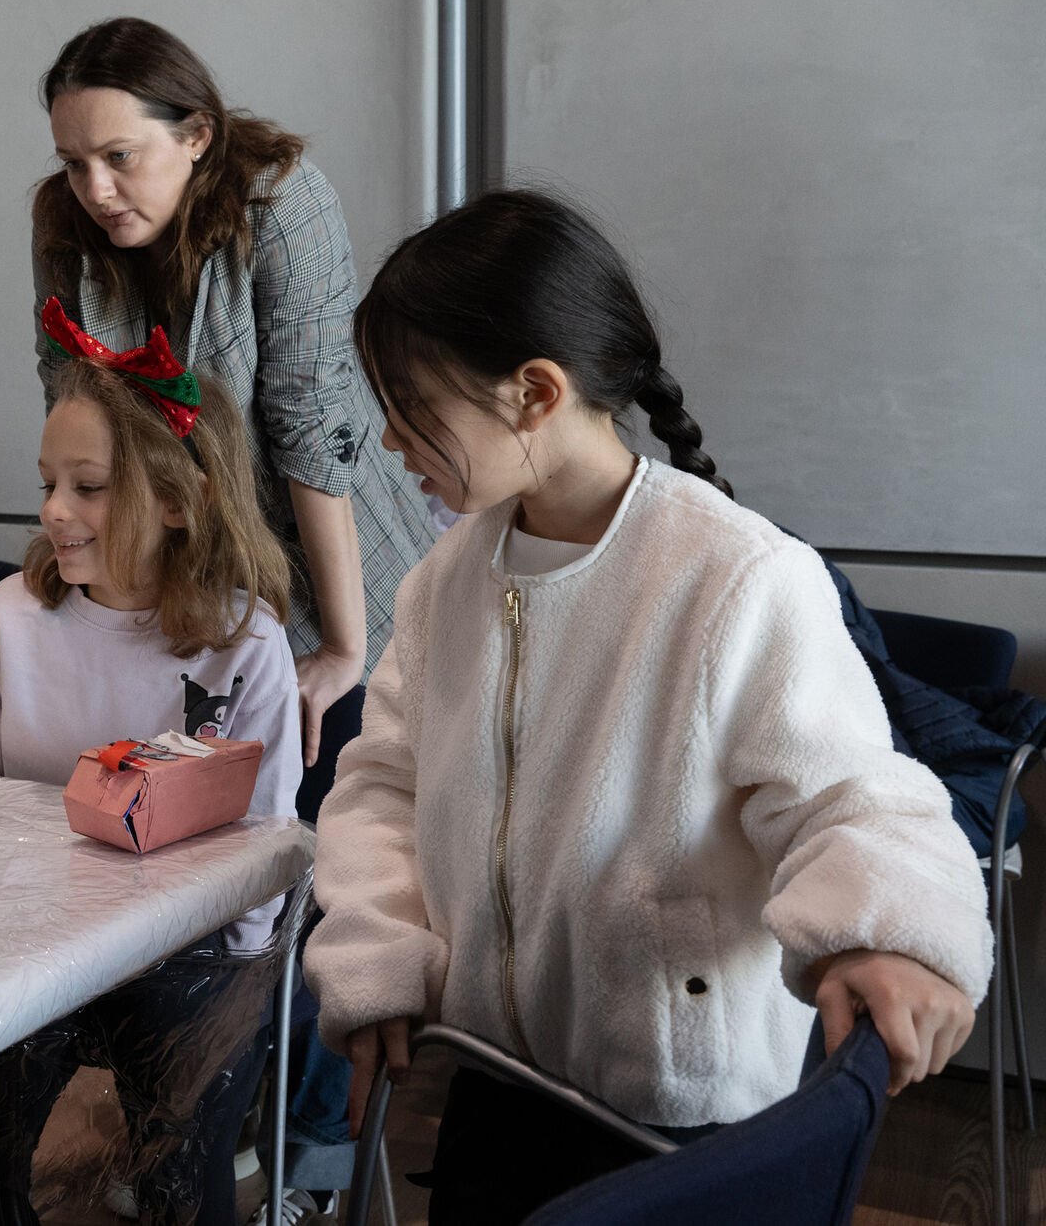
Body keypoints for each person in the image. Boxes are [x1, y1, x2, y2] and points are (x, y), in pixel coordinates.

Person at [304, 189, 991, 1225]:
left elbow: (847, 793)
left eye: (414, 412)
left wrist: (886, 933)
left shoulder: (733, 575)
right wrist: (377, 960)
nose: (391, 443)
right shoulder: (443, 581)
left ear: (532, 392)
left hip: (681, 1117)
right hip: (494, 1080)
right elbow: (382, 786)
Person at [0, 304, 301, 1226]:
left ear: (177, 500)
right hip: (34, 943)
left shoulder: (245, 644)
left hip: (189, 956)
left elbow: (264, 857)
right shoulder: (13, 615)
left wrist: (233, 1006)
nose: (54, 509)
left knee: (183, 1171)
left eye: (87, 486)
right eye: (50, 481)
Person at [32, 16, 433, 797]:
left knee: (321, 829)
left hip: (324, 558)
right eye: (74, 163)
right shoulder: (66, 222)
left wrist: (344, 650)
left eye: (119, 157)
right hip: (169, 567)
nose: (96, 190)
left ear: (197, 135)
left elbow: (309, 434)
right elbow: (71, 411)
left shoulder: (283, 205)